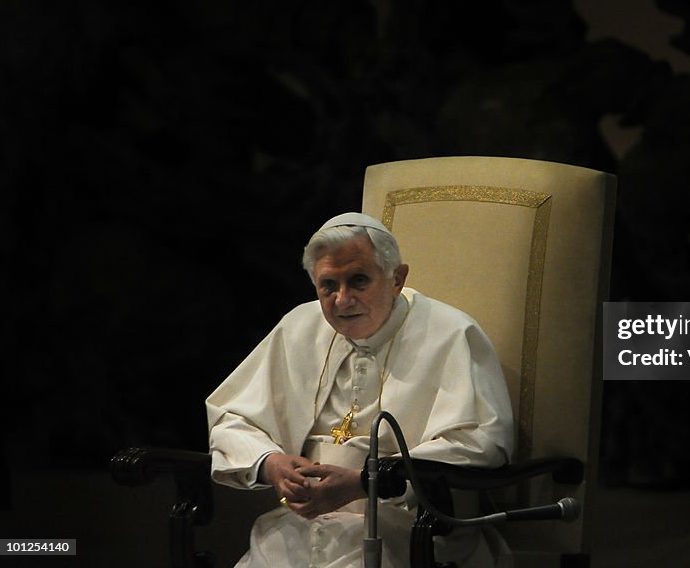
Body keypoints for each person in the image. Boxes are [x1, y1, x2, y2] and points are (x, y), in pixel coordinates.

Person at [206, 212, 515, 568]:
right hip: (298, 530)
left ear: (397, 279)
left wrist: (366, 482)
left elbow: (482, 441)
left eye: (358, 281)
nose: (342, 300)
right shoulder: (298, 327)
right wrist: (272, 464)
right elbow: (231, 417)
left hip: (409, 532)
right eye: (328, 286)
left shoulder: (451, 333)